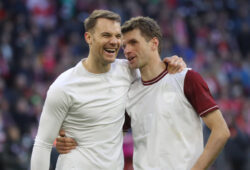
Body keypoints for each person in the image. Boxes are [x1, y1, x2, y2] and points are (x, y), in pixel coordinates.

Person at [57, 16, 230, 170]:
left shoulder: (186, 78)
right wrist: (70, 139)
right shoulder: (129, 93)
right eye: (124, 46)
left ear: (154, 43)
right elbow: (106, 138)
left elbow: (221, 131)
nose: (127, 50)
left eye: (133, 42)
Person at [30, 10, 185, 170]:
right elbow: (42, 144)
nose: (114, 41)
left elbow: (155, 74)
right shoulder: (64, 86)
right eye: (106, 35)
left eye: (118, 36)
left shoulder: (128, 71)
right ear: (89, 38)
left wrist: (175, 62)